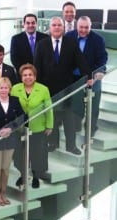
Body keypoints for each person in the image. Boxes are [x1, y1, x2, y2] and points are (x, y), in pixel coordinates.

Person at [34, 16, 91, 155]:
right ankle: (53, 143)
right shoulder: (42, 44)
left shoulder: (71, 43)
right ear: (50, 28)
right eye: (54, 25)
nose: (57, 27)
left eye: (59, 25)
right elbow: (37, 67)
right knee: (51, 118)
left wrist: (89, 77)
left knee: (69, 120)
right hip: (48, 89)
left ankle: (71, 146)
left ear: (63, 27)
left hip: (67, 89)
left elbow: (81, 61)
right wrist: (38, 89)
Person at [11, 64, 53, 188]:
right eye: (24, 75)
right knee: (19, 155)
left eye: (30, 75)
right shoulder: (15, 88)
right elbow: (12, 108)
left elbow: (49, 109)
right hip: (20, 129)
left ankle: (35, 176)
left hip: (37, 128)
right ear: (21, 77)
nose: (27, 77)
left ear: (35, 77)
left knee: (36, 153)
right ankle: (23, 175)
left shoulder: (43, 89)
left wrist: (49, 125)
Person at [0, 77, 24, 205]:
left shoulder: (15, 100)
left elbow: (23, 117)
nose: (3, 90)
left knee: (5, 169)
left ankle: (3, 193)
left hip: (10, 139)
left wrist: (11, 129)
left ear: (9, 89)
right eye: (1, 88)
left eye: (6, 88)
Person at [66, 16, 108, 137]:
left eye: (86, 27)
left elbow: (102, 58)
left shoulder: (98, 39)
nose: (83, 30)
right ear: (76, 26)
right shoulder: (69, 37)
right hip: (75, 77)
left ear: (90, 27)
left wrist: (98, 72)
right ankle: (77, 126)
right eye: (81, 27)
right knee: (76, 104)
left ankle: (91, 128)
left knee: (93, 104)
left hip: (93, 76)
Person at [10, 13, 48, 82]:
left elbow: (48, 57)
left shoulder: (45, 38)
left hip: (41, 76)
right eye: (28, 23)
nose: (30, 25)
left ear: (36, 24)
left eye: (33, 23)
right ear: (24, 24)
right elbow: (14, 58)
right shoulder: (16, 39)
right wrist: (25, 72)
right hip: (23, 76)